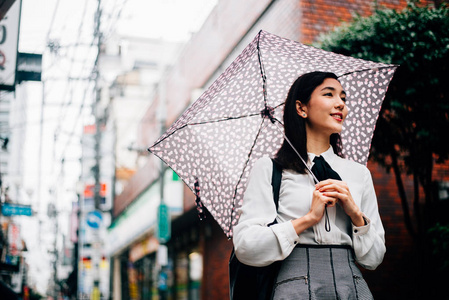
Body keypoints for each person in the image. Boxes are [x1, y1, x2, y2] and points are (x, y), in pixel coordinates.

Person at [233, 71, 385, 299]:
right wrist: (308, 219)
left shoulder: (358, 173)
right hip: (295, 286)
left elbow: (373, 259)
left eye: (343, 98)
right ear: (301, 108)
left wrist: (355, 214)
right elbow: (246, 247)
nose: (340, 104)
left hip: (351, 287)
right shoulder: (271, 169)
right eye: (329, 94)